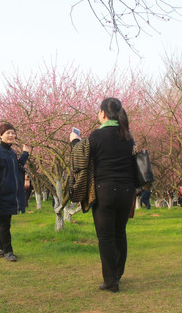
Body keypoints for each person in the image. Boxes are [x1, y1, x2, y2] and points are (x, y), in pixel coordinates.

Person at [69, 97, 135, 293]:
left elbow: (79, 161)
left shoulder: (97, 136)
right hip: (127, 191)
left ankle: (110, 281)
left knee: (105, 237)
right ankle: (118, 272)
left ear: (103, 114)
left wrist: (75, 142)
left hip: (104, 190)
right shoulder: (127, 136)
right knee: (119, 233)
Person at [0, 122, 31, 262]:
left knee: (4, 222)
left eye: (13, 133)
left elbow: (17, 166)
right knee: (5, 223)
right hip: (2, 194)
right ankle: (8, 251)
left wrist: (25, 154)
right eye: (8, 133)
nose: (11, 135)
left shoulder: (11, 152)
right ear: (0, 135)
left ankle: (0, 249)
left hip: (11, 194)